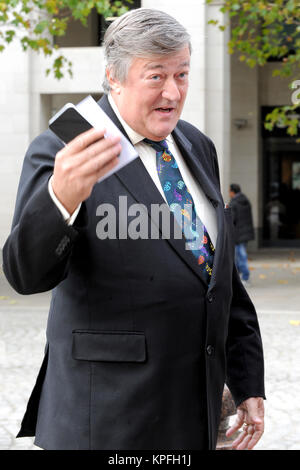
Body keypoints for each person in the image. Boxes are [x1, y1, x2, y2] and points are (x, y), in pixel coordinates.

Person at [2, 8, 265, 451]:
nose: (173, 91)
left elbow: (216, 275)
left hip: (194, 415)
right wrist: (61, 198)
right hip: (106, 419)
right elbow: (25, 275)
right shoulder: (67, 144)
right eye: (156, 76)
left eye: (182, 74)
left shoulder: (198, 145)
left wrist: (246, 381)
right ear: (114, 77)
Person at [229, 184, 255, 287]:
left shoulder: (234, 203)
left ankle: (245, 276)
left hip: (238, 233)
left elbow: (232, 219)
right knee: (239, 255)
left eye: (229, 191)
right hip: (245, 233)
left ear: (232, 192)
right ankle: (241, 276)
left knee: (240, 255)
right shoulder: (245, 201)